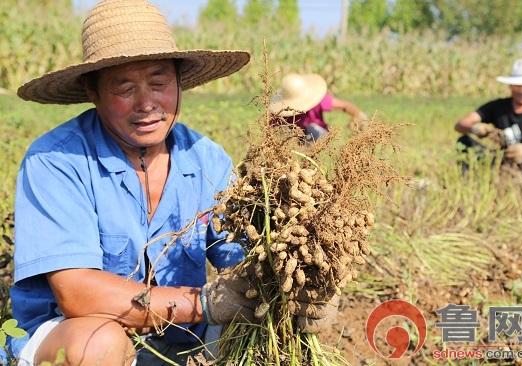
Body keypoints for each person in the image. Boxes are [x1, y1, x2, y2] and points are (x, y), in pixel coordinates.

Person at [8, 1, 335, 365]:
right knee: (97, 344)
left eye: (159, 82)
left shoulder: (206, 158)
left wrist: (309, 287)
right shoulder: (55, 161)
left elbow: (248, 260)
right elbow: (78, 295)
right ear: (92, 91)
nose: (147, 103)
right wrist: (205, 303)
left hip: (185, 338)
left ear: (180, 81)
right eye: (125, 87)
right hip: (71, 332)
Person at [455, 58, 522, 170]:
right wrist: (474, 128)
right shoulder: (497, 106)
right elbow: (460, 124)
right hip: (502, 158)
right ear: (510, 86)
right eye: (518, 86)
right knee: (464, 141)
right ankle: (471, 177)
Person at [269, 73, 368, 141]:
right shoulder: (279, 112)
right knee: (284, 132)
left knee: (313, 130)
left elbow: (345, 106)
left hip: (318, 137)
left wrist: (359, 116)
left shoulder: (316, 100)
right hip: (293, 142)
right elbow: (269, 132)